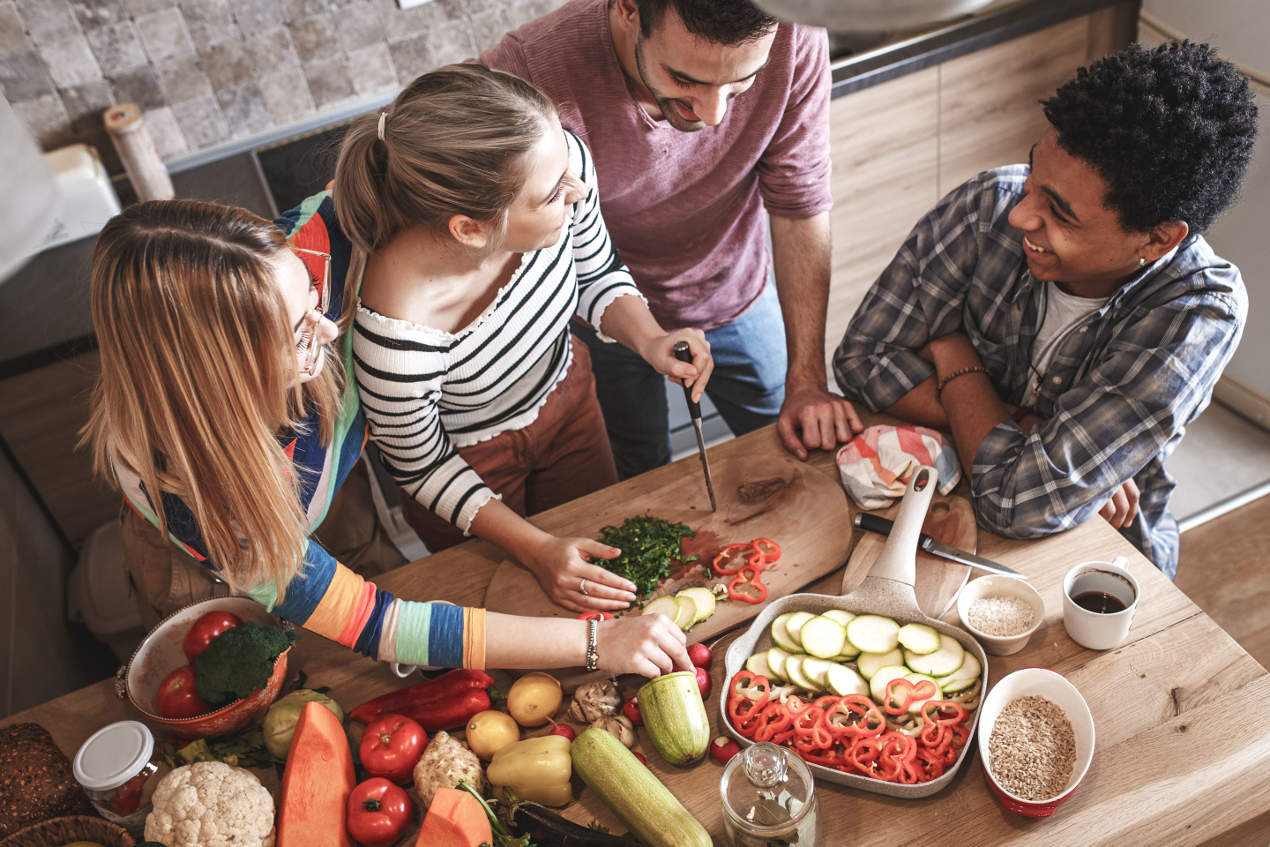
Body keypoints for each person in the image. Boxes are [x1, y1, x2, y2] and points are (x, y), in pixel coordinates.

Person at [83, 198, 692, 677]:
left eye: (312, 297)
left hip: (315, 476)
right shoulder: (198, 498)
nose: (329, 330)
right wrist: (597, 642)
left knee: (382, 569)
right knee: (263, 672)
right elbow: (379, 625)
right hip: (216, 555)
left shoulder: (314, 247)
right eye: (296, 333)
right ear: (217, 375)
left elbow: (400, 145)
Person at [832, 41, 1258, 577]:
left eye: (1059, 212)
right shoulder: (986, 204)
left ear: (1156, 239)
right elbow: (861, 359)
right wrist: (1035, 437)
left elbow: (1018, 503)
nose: (1021, 216)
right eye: (1035, 177)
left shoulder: (1198, 314)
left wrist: (950, 348)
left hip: (1094, 552)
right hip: (928, 503)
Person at [333, 65, 713, 612]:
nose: (577, 190)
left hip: (570, 398)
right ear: (471, 229)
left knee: (603, 568)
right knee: (505, 609)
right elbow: (423, 468)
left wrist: (651, 340)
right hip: (468, 466)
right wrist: (536, 550)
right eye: (553, 194)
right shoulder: (396, 339)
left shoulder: (560, 168)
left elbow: (596, 273)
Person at [480, 0, 862, 477]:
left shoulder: (794, 33)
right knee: (638, 467)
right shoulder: (531, 69)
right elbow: (401, 144)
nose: (714, 115)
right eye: (685, 80)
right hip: (604, 319)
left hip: (737, 290)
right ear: (628, 8)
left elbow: (800, 203)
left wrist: (807, 379)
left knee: (795, 445)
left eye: (740, 86)